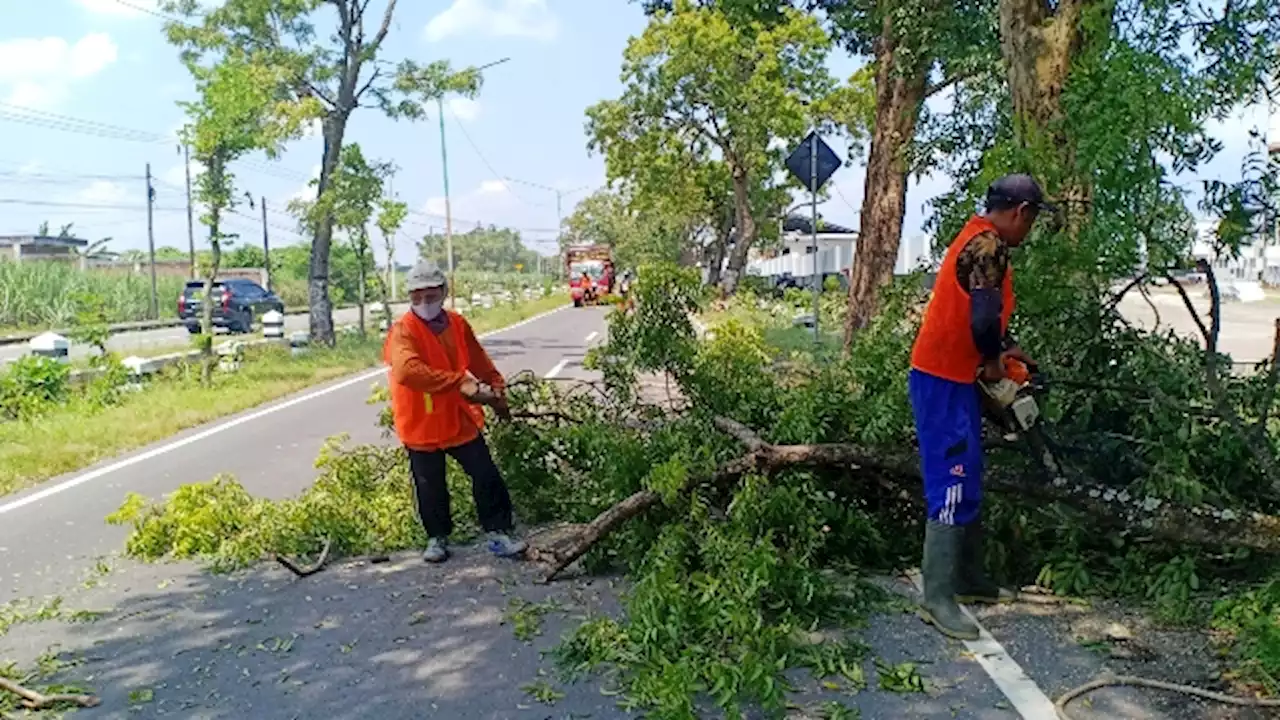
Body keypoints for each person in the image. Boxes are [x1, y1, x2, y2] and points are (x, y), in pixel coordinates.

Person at [908, 174, 1054, 640]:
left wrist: (1006, 351)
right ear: (1020, 212)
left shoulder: (980, 239)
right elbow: (983, 317)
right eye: (1031, 219)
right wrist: (994, 361)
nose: (1029, 228)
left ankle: (967, 577)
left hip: (955, 375)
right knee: (951, 478)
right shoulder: (989, 247)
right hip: (942, 379)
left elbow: (984, 314)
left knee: (969, 472)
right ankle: (937, 596)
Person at [383, 259, 528, 563]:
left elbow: (478, 359)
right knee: (429, 485)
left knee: (486, 475)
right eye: (417, 296)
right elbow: (408, 372)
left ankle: (499, 533)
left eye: (431, 295)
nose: (424, 302)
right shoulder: (403, 331)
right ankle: (437, 539)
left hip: (457, 417)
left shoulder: (457, 324)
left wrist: (496, 386)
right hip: (420, 422)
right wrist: (458, 382)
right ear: (409, 297)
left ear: (444, 292)